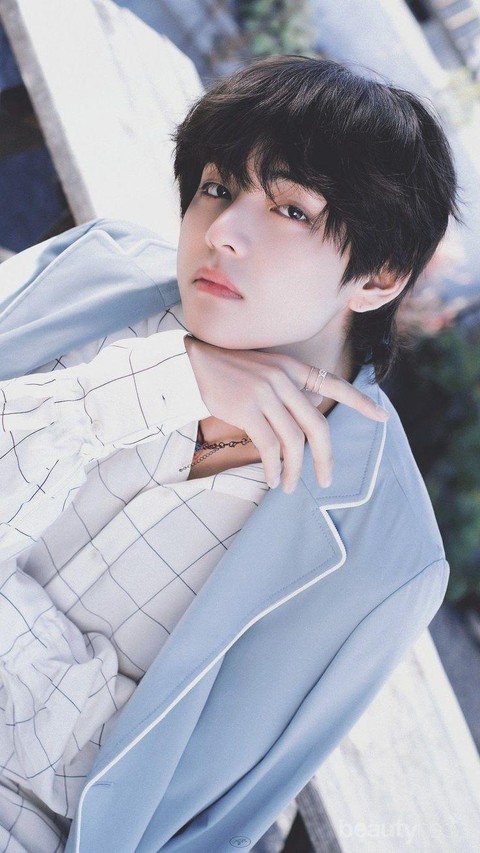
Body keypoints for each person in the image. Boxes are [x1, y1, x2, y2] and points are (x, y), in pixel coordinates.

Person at [0, 55, 458, 853]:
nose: (221, 232)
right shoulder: (91, 272)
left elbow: (183, 813)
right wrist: (150, 386)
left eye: (290, 208)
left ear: (379, 276)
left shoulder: (387, 560)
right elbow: (94, 752)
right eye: (216, 187)